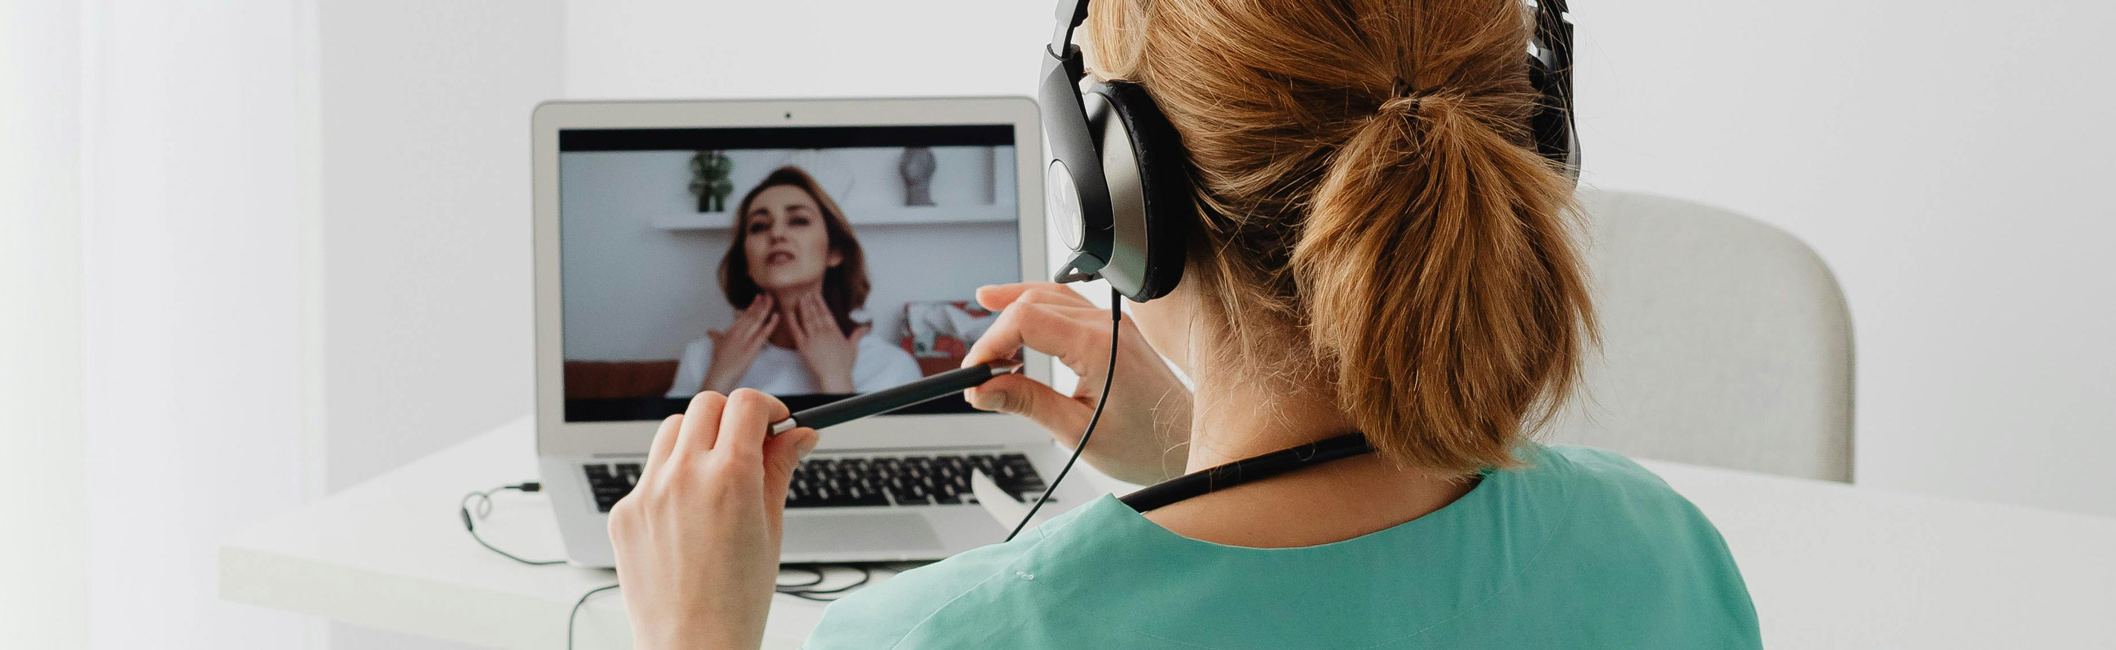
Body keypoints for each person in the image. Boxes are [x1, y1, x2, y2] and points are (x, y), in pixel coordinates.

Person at [608, 0, 1760, 648]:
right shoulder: (1663, 549)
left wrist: (692, 640)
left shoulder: (930, 640)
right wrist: (1200, 445)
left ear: (1124, 200)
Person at [664, 165, 922, 397]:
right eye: (759, 226)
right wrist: (717, 381)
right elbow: (673, 450)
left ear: (834, 252)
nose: (776, 233)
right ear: (746, 262)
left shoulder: (891, 368)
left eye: (798, 220)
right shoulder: (702, 358)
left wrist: (836, 380)